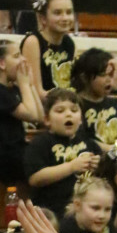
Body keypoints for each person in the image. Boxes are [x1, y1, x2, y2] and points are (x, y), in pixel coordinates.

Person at [24, 88, 101, 220]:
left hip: (84, 208)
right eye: (60, 111)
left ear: (81, 119)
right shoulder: (41, 143)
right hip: (51, 209)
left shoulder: (88, 142)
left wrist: (97, 164)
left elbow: (100, 170)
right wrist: (71, 167)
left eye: (74, 110)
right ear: (47, 119)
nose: (68, 114)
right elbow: (35, 178)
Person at [0, 37, 44, 187]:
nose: (23, 60)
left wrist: (31, 85)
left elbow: (39, 117)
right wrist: (25, 84)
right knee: (41, 161)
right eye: (16, 56)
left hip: (14, 151)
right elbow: (31, 115)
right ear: (1, 63)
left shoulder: (10, 88)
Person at [72, 48, 117, 154]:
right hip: (93, 157)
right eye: (103, 75)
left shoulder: (116, 103)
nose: (108, 80)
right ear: (85, 77)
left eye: (111, 75)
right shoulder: (76, 105)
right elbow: (85, 139)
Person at [21, 0, 75, 99]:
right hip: (42, 107)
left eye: (69, 12)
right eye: (57, 13)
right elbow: (35, 91)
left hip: (62, 105)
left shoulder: (68, 42)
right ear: (43, 18)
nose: (65, 18)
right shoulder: (33, 42)